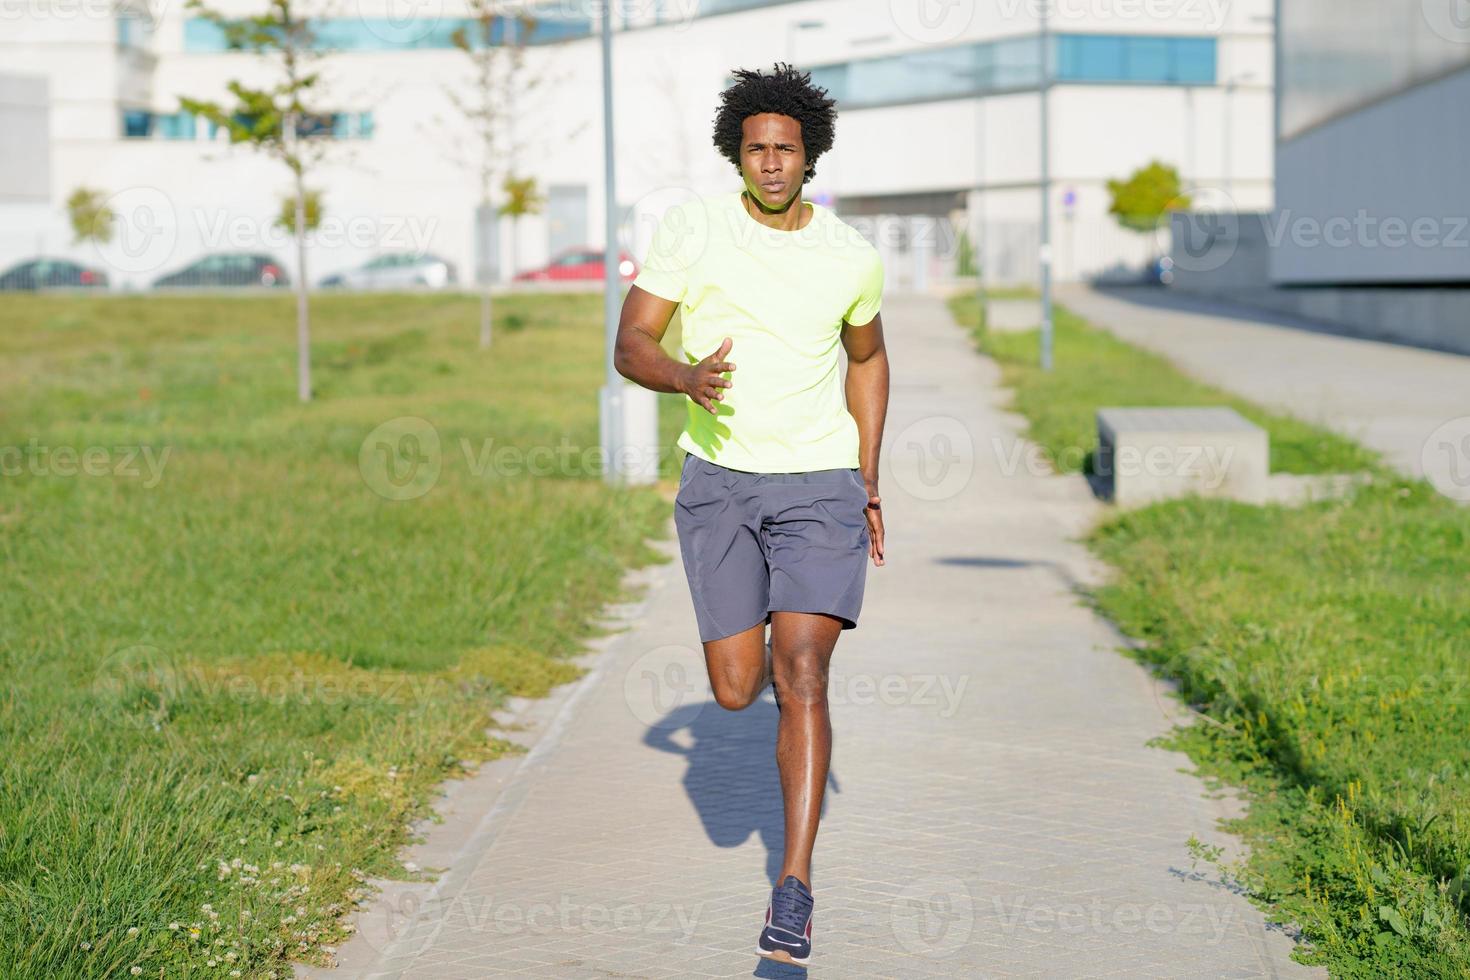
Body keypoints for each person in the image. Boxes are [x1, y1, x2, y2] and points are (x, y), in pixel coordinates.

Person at [613, 62, 888, 968]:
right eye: (757, 149)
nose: (771, 164)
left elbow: (868, 358)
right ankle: (770, 631)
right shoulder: (693, 230)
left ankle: (794, 889)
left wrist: (870, 478)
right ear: (738, 153)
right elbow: (632, 342)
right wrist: (685, 378)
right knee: (739, 687)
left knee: (802, 670)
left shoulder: (851, 254)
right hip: (721, 483)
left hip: (820, 485)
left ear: (811, 156)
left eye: (787, 150)